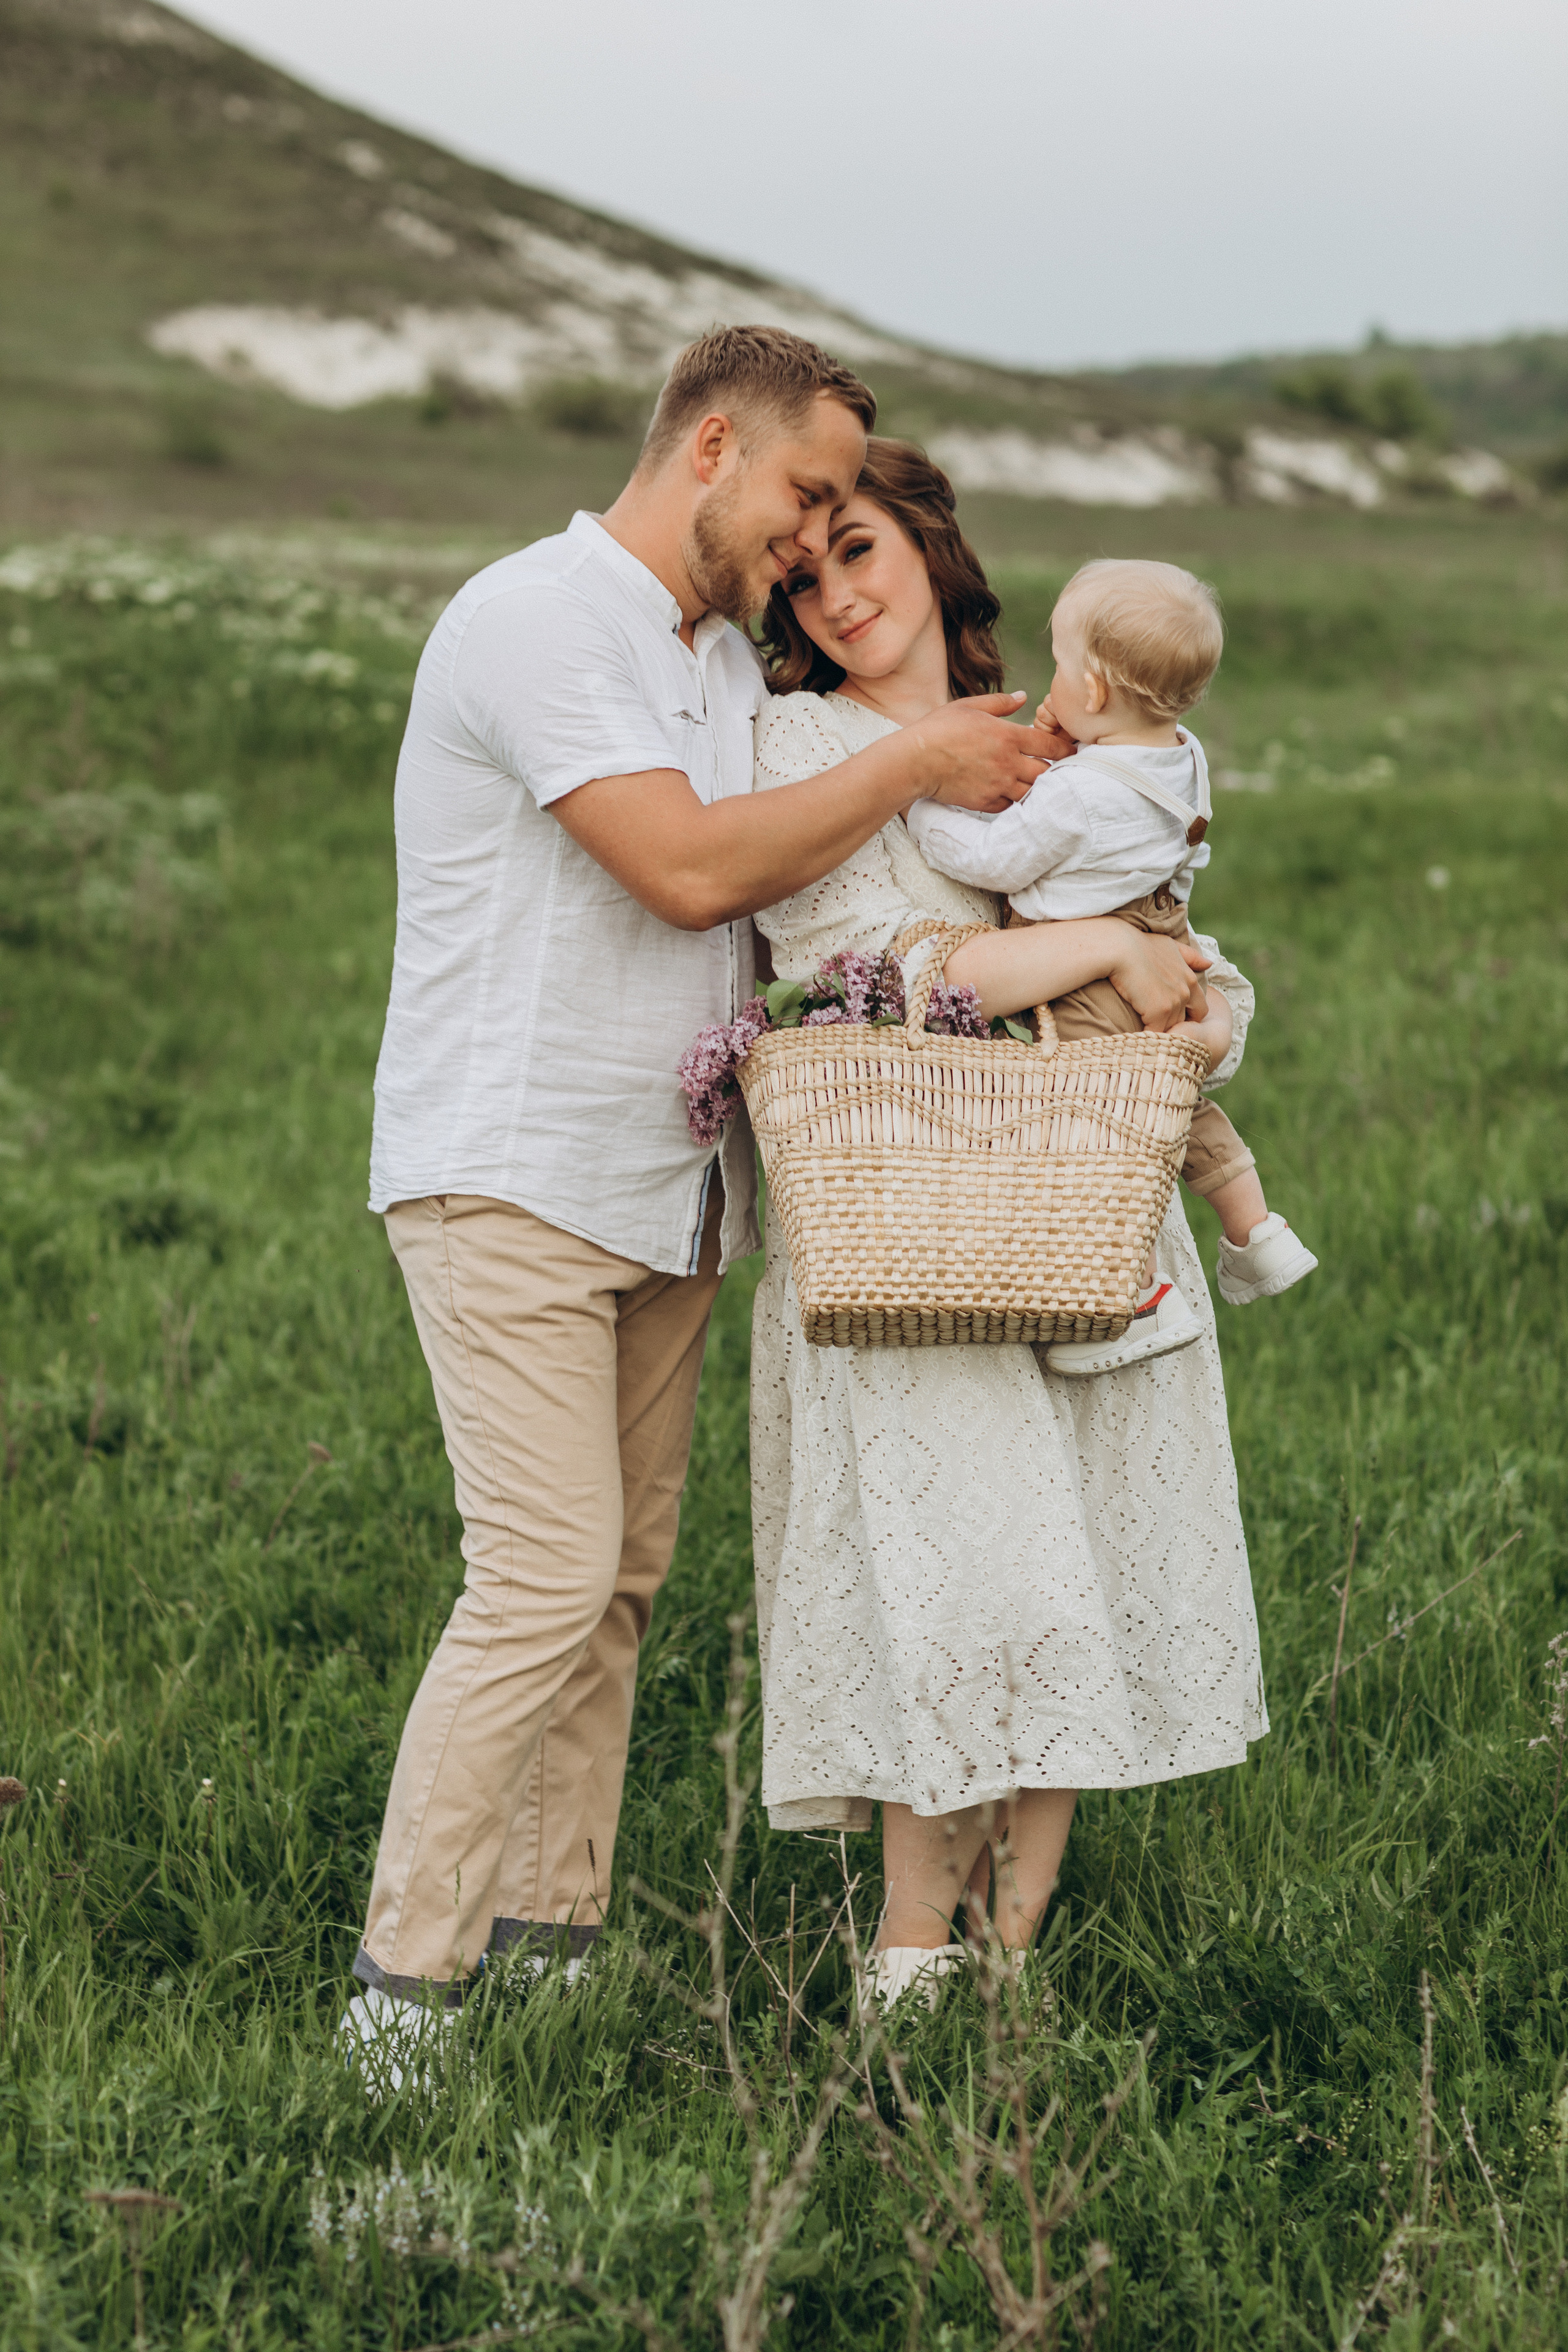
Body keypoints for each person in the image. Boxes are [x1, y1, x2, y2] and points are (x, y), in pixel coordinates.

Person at [338, 329, 1208, 2084]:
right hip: (508, 1164)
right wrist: (914, 773)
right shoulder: (542, 620)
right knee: (541, 1576)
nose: (811, 543)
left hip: (669, 1194)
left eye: (844, 518)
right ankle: (400, 2005)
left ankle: (550, 1950)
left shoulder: (721, 665)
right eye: (804, 498)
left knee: (619, 1587)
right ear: (713, 446)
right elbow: (685, 872)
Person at [749, 439, 1268, 2007]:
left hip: (1090, 1208)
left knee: (1073, 1576)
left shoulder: (1067, 733)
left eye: (858, 551)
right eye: (803, 575)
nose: (838, 595)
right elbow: (905, 978)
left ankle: (1011, 1972)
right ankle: (909, 1976)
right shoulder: (797, 748)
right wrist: (1103, 942)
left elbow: (1185, 949)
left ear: (925, 548)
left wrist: (1196, 999)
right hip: (904, 1215)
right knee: (952, 1583)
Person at [908, 557, 1317, 1378]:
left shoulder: (1077, 797)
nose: (1050, 673)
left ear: (1092, 691)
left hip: (1082, 962)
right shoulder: (1183, 755)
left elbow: (997, 859)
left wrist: (915, 796)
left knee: (1093, 1121)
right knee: (1173, 1096)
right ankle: (1256, 1228)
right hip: (1157, 924)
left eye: (1060, 660)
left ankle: (1132, 1297)